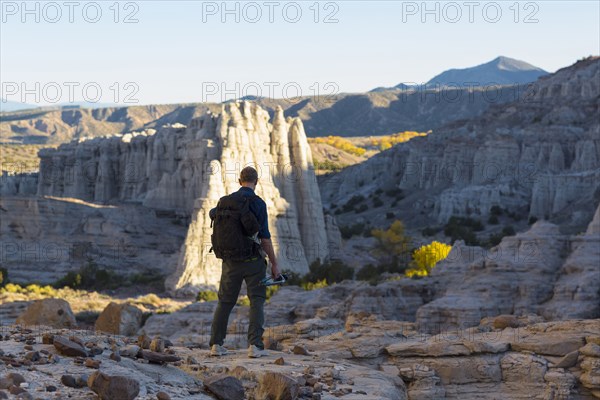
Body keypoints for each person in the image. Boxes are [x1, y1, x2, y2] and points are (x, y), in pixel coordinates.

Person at [209, 166, 280, 358]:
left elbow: (212, 214)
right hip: (253, 261)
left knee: (225, 302)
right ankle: (255, 346)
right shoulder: (258, 203)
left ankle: (216, 344)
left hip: (230, 261)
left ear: (240, 181)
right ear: (256, 182)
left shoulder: (225, 201)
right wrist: (274, 263)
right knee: (256, 301)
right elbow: (264, 238)